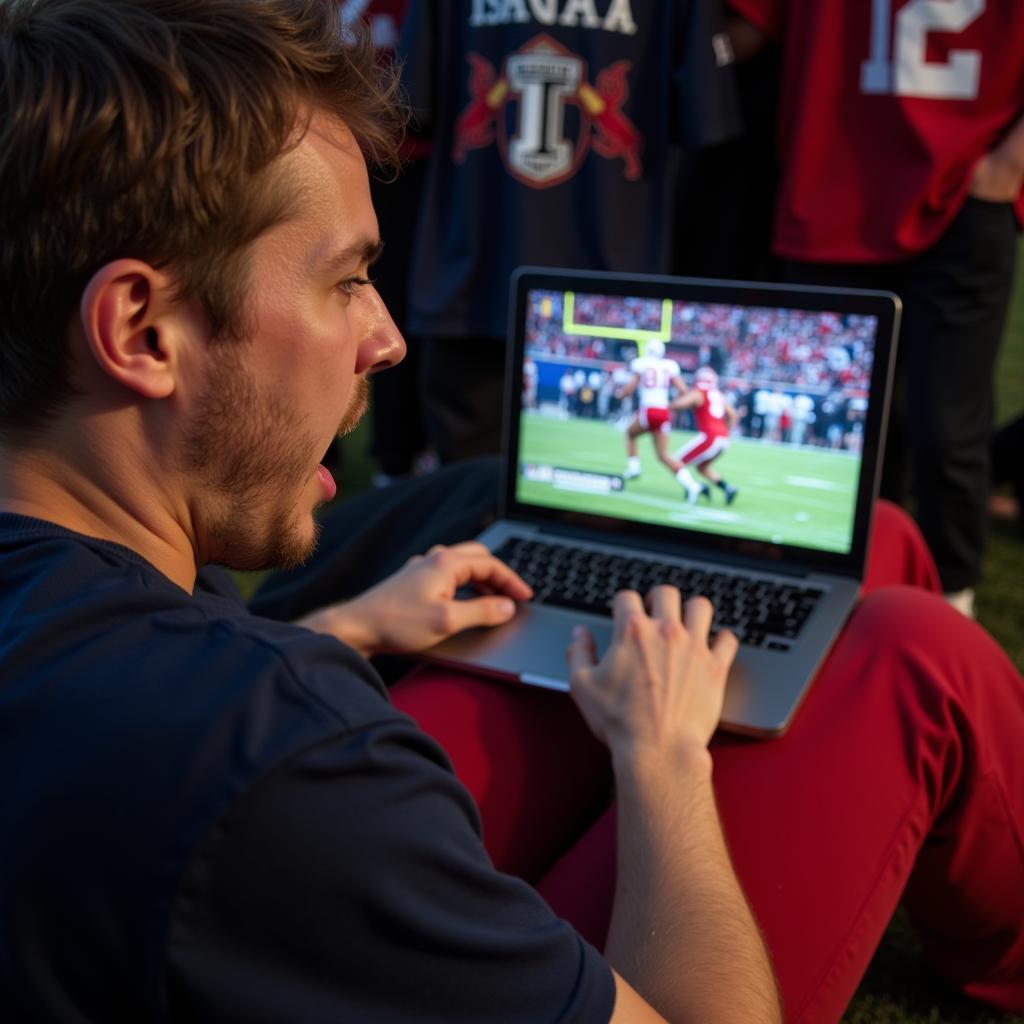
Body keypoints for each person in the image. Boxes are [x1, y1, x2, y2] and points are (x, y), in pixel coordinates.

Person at [2, 4, 1024, 1023]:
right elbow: (250, 776)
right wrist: (663, 755)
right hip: (307, 863)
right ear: (141, 329)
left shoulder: (115, 609)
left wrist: (344, 629)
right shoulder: (290, 757)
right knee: (912, 647)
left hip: (263, 876)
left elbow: (171, 732)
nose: (387, 337)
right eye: (347, 280)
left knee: (862, 544)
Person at [724, 0, 1024, 617]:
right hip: (833, 190)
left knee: (948, 430)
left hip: (961, 193)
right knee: (841, 428)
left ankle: (950, 602)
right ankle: (840, 593)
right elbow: (748, 31)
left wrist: (1009, 166)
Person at [395, 0, 743, 462]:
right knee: (560, 513)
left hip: (488, 281)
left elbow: (414, 104)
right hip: (536, 291)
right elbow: (706, 114)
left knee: (493, 507)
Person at [620, 339, 699, 499]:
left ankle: (634, 468)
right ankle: (692, 485)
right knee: (663, 455)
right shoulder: (669, 365)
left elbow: (629, 389)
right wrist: (672, 404)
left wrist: (620, 394)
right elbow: (684, 389)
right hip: (663, 411)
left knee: (630, 433)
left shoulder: (640, 363)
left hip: (649, 410)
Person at [670, 365, 740, 504]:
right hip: (723, 438)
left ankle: (695, 488)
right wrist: (724, 430)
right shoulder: (717, 394)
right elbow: (733, 415)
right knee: (702, 467)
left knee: (675, 462)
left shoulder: (700, 392)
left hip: (710, 437)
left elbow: (680, 405)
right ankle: (727, 488)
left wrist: (666, 405)